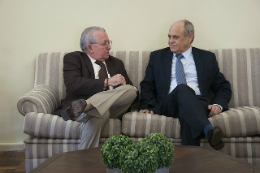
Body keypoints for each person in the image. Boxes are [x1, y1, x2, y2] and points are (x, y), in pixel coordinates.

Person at [139, 20, 232, 150]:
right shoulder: (157, 57)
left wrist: (218, 105)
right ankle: (207, 129)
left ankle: (189, 166)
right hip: (169, 103)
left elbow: (223, 86)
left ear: (190, 37)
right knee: (182, 89)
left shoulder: (207, 58)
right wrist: (147, 105)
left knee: (187, 113)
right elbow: (147, 84)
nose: (170, 41)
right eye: (169, 36)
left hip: (199, 103)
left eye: (175, 37)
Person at [53, 26, 137, 149]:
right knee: (99, 113)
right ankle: (86, 163)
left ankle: (87, 105)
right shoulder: (74, 58)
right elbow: (73, 84)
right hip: (91, 113)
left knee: (131, 90)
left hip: (112, 108)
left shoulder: (116, 63)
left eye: (109, 43)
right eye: (105, 44)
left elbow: (128, 92)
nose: (109, 47)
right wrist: (107, 82)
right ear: (90, 47)